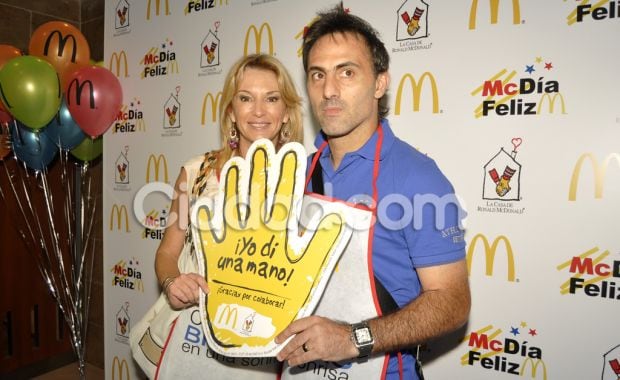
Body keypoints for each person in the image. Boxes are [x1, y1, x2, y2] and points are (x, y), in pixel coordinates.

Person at [275, 4, 471, 380]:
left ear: (380, 83)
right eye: (317, 75)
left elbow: (452, 302)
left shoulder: (417, 177)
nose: (329, 90)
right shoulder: (297, 172)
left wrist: (353, 338)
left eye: (346, 72)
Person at [131, 53, 303, 379]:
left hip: (259, 340)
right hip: (189, 332)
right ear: (231, 111)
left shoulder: (301, 180)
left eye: (271, 99)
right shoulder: (197, 171)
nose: (258, 111)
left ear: (286, 113)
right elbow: (167, 251)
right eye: (245, 98)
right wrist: (172, 283)